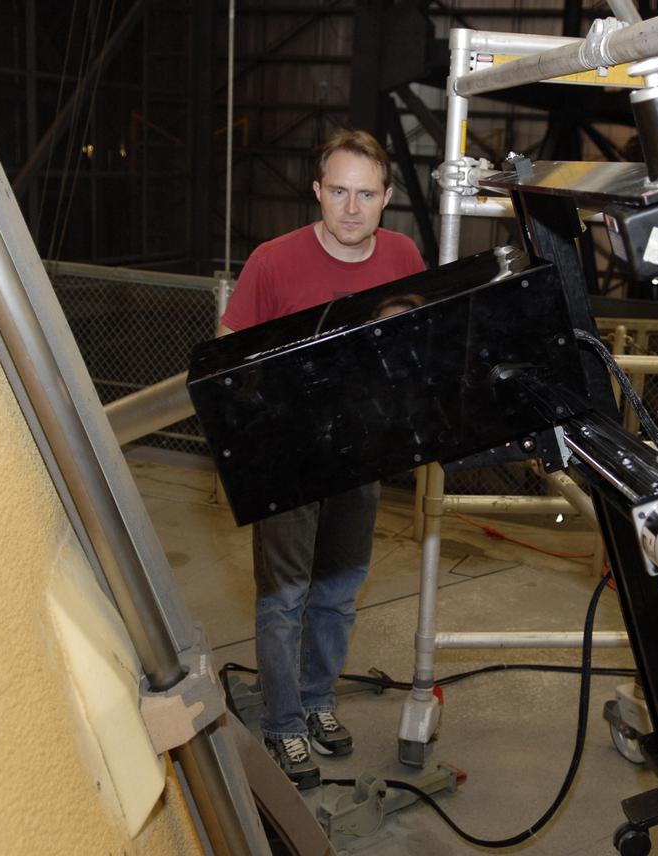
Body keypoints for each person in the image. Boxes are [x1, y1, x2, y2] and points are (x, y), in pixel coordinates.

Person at [216, 130, 425, 789]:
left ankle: (314, 701)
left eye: (367, 194)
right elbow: (227, 354)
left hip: (359, 457)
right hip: (286, 459)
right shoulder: (273, 263)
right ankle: (282, 725)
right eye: (339, 191)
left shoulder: (403, 256)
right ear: (317, 191)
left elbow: (419, 346)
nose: (352, 207)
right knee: (284, 600)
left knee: (337, 595)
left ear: (388, 198)